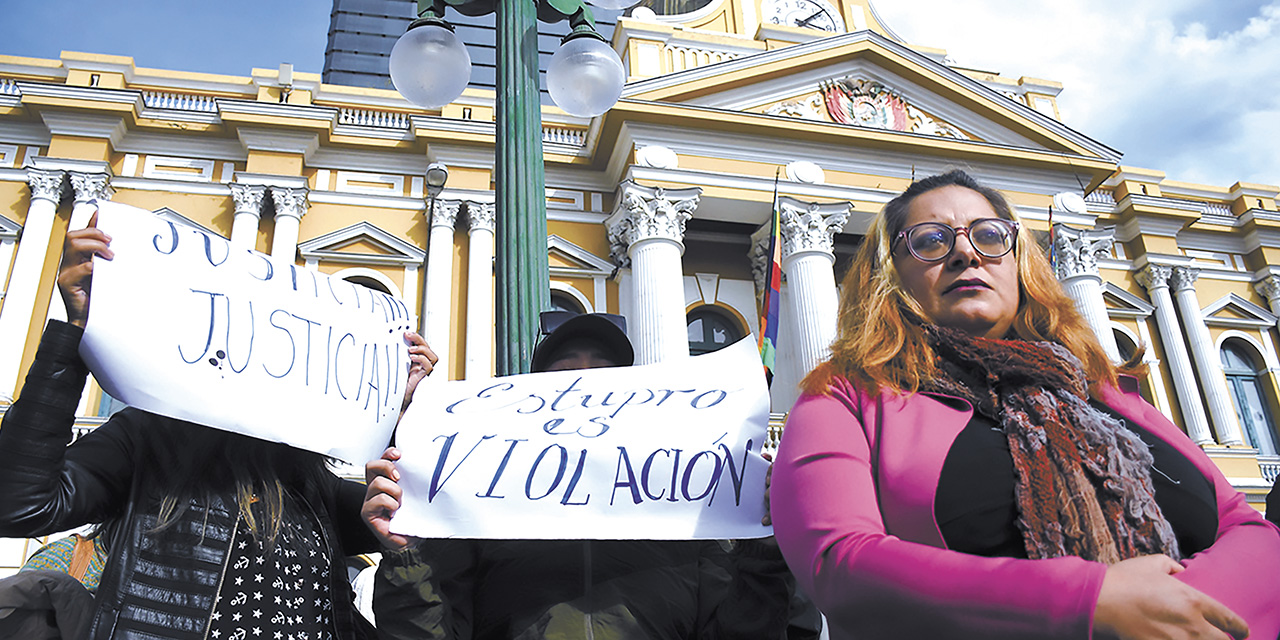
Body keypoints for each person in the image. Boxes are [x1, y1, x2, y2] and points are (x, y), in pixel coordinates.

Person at [770, 169, 1280, 640]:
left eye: (989, 236)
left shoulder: (1102, 392)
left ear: (1020, 263)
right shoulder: (845, 397)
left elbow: (1250, 532)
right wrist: (1090, 602)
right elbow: (839, 564)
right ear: (891, 276)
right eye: (930, 241)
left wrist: (1182, 611)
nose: (966, 254)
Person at [0, 220, 439, 639]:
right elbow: (20, 504)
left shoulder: (311, 483)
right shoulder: (151, 441)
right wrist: (72, 331)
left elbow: (421, 512)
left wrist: (399, 409)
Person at [364, 310, 799, 639]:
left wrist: (763, 552)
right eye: (567, 373)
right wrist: (408, 559)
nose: (587, 384)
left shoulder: (697, 512)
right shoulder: (473, 510)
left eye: (606, 372)